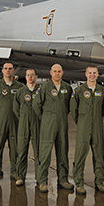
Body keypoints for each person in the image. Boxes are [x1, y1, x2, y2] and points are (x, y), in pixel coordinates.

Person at [71, 65, 104, 195]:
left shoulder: (102, 91)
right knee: (80, 154)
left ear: (98, 74)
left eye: (94, 73)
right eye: (90, 73)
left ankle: (99, 181)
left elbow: (103, 108)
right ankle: (79, 182)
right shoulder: (79, 91)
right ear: (86, 74)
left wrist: (96, 118)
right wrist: (81, 121)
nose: (92, 75)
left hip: (97, 126)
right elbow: (74, 110)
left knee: (99, 154)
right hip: (83, 126)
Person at [35, 63, 74, 193]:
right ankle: (42, 181)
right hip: (48, 123)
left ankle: (63, 180)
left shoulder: (67, 88)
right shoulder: (45, 87)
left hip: (62, 123)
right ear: (50, 73)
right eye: (55, 71)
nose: (57, 73)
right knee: (45, 153)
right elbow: (36, 105)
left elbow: (69, 106)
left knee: (63, 152)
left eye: (59, 71)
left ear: (62, 73)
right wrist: (46, 117)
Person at [0, 61, 24, 182]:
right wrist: (0, 115)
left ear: (13, 71)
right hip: (0, 122)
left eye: (10, 68)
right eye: (6, 68)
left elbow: (23, 105)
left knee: (15, 148)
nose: (8, 70)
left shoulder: (19, 87)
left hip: (15, 122)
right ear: (2, 70)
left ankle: (15, 171)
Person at [13, 68, 41, 186]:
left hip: (37, 124)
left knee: (39, 152)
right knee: (22, 151)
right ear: (25, 77)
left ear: (36, 77)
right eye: (28, 75)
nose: (30, 77)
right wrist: (23, 118)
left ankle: (40, 178)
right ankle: (20, 176)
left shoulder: (41, 91)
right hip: (24, 124)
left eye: (32, 75)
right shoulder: (20, 92)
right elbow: (15, 108)